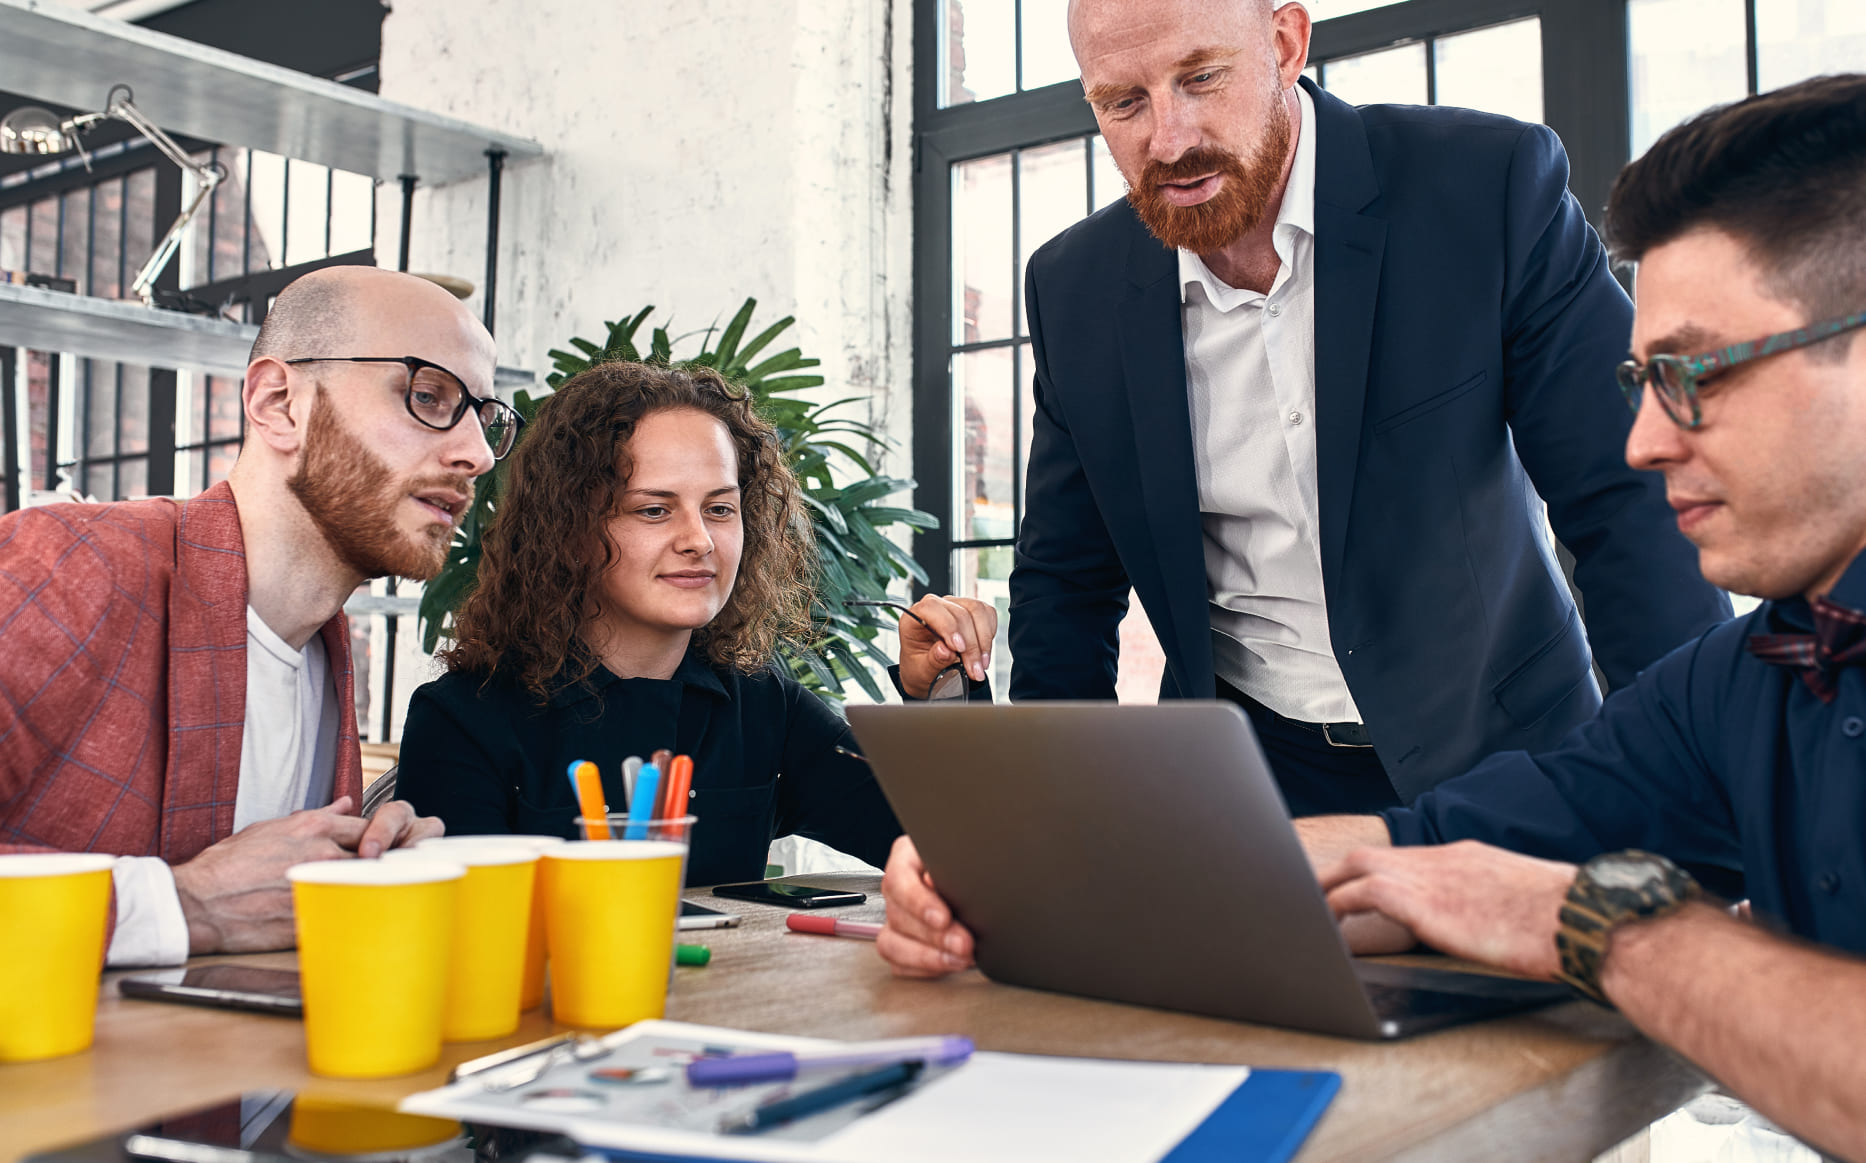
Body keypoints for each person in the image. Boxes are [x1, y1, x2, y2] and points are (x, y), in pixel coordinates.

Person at [891, 74, 1866, 1157]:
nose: (1643, 438)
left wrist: (1602, 924)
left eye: (1697, 374)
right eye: (1642, 378)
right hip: (1266, 753)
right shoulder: (1736, 685)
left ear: (1285, 41)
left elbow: (1610, 522)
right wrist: (1040, 873)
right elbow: (1426, 852)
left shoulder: (1477, 188)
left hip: (1480, 714)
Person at [1008, 0, 1729, 816]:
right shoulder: (1075, 289)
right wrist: (1050, 828)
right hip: (1244, 786)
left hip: (1504, 754)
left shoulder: (1486, 190)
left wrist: (1689, 786)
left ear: (1285, 44)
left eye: (1201, 78)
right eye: (1123, 103)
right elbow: (1063, 588)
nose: (1168, 141)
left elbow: (1627, 494)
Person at [0, 266, 510, 965]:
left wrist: (359, 875)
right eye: (427, 396)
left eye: (486, 421)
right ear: (278, 403)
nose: (476, 455)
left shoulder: (324, 654)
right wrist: (184, 902)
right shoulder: (69, 565)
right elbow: (211, 906)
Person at [396, 360, 994, 885]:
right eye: (654, 510)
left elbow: (959, 849)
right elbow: (460, 938)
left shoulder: (763, 707)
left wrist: (939, 696)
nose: (699, 541)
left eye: (720, 509)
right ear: (568, 530)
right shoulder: (464, 721)